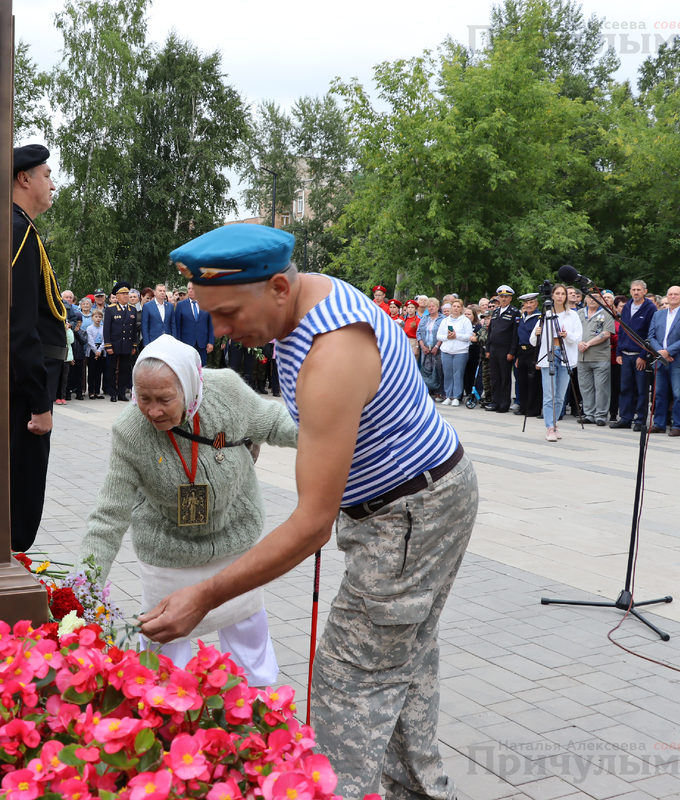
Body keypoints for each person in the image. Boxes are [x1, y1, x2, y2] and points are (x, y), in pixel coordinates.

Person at [144, 225, 474, 800]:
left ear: (276, 286)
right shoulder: (303, 298)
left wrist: (203, 596)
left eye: (225, 314)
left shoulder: (333, 350)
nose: (218, 332)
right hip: (420, 502)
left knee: (351, 685)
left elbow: (310, 524)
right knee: (402, 665)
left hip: (409, 515)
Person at [80, 335, 298, 683]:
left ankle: (259, 719)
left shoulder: (226, 390)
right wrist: (81, 593)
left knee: (249, 647)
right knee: (164, 663)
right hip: (169, 554)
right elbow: (109, 516)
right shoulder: (130, 431)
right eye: (143, 399)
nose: (153, 411)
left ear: (190, 385)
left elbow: (273, 422)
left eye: (165, 399)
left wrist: (330, 436)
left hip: (235, 544)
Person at [9, 144, 65, 552]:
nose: (51, 182)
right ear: (23, 178)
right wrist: (39, 402)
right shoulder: (17, 231)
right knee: (19, 502)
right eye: (46, 174)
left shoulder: (20, 228)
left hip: (20, 386)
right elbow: (20, 325)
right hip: (21, 392)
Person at [530, 284, 582, 442]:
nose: (560, 296)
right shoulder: (544, 315)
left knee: (560, 395)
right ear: (552, 296)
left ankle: (555, 422)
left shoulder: (572, 315)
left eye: (563, 293)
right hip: (549, 354)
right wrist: (537, 333)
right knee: (549, 394)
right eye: (557, 293)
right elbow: (533, 341)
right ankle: (549, 426)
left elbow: (578, 337)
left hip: (565, 355)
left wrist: (567, 335)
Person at [647, 285, 680, 436]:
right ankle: (659, 424)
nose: (673, 296)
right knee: (660, 393)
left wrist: (668, 351)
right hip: (660, 360)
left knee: (679, 395)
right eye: (670, 294)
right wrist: (661, 352)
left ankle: (678, 425)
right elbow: (651, 336)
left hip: (678, 360)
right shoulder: (658, 315)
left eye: (677, 294)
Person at [613, 280, 657, 431]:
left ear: (645, 291)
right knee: (625, 387)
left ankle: (640, 419)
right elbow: (622, 331)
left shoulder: (650, 308)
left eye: (639, 289)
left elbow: (651, 334)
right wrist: (619, 351)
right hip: (625, 354)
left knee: (641, 389)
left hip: (640, 355)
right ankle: (625, 418)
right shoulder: (626, 307)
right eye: (633, 289)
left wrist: (644, 355)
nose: (636, 292)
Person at [577, 292, 613, 426]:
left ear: (601, 300)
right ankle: (589, 414)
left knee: (601, 387)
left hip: (600, 356)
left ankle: (601, 415)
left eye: (596, 298)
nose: (592, 300)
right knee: (585, 387)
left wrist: (589, 343)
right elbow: (573, 331)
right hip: (582, 356)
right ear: (585, 299)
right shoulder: (579, 313)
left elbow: (606, 333)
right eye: (590, 297)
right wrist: (578, 342)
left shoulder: (606, 313)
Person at [485, 286, 519, 413]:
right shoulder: (495, 312)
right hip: (493, 349)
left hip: (505, 350)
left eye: (506, 297)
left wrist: (512, 352)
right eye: (501, 297)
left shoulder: (514, 312)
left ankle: (504, 403)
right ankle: (496, 401)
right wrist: (488, 349)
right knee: (494, 377)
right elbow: (491, 332)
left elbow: (515, 335)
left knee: (505, 377)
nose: (503, 299)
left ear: (510, 298)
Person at [104, 281, 139, 402]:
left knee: (125, 369)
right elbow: (106, 329)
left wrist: (134, 344)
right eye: (123, 294)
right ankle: (113, 393)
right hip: (114, 344)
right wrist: (108, 345)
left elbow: (134, 329)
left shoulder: (132, 310)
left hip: (127, 345)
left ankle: (121, 393)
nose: (126, 296)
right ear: (117, 296)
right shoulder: (111, 309)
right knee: (112, 370)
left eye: (127, 294)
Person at [437, 299, 473, 406]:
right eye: (454, 306)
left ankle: (457, 397)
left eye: (458, 307)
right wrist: (447, 337)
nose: (456, 308)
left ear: (461, 308)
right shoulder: (445, 321)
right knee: (447, 374)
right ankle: (448, 395)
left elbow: (469, 336)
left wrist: (457, 335)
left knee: (458, 374)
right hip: (446, 350)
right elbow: (439, 336)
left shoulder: (465, 321)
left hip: (460, 351)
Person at [170, 283, 215, 367]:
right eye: (189, 288)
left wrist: (210, 342)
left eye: (193, 289)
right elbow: (177, 326)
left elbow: (211, 325)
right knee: (187, 368)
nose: (190, 291)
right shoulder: (181, 305)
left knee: (201, 369)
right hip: (186, 343)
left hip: (202, 343)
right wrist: (178, 343)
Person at [514, 292, 542, 417]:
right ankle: (524, 407)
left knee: (534, 381)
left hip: (534, 351)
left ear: (536, 304)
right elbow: (519, 336)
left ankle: (534, 408)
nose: (529, 305)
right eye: (526, 303)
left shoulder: (540, 317)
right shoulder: (522, 317)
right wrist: (518, 356)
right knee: (522, 380)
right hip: (522, 351)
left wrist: (539, 358)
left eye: (531, 303)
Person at [85, 308, 106, 399]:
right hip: (92, 351)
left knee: (99, 371)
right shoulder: (89, 328)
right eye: (96, 316)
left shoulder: (103, 328)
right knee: (92, 371)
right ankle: (91, 391)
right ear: (92, 317)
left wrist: (100, 350)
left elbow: (105, 340)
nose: (98, 318)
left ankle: (97, 391)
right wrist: (95, 350)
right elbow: (90, 340)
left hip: (101, 350)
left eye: (100, 317)